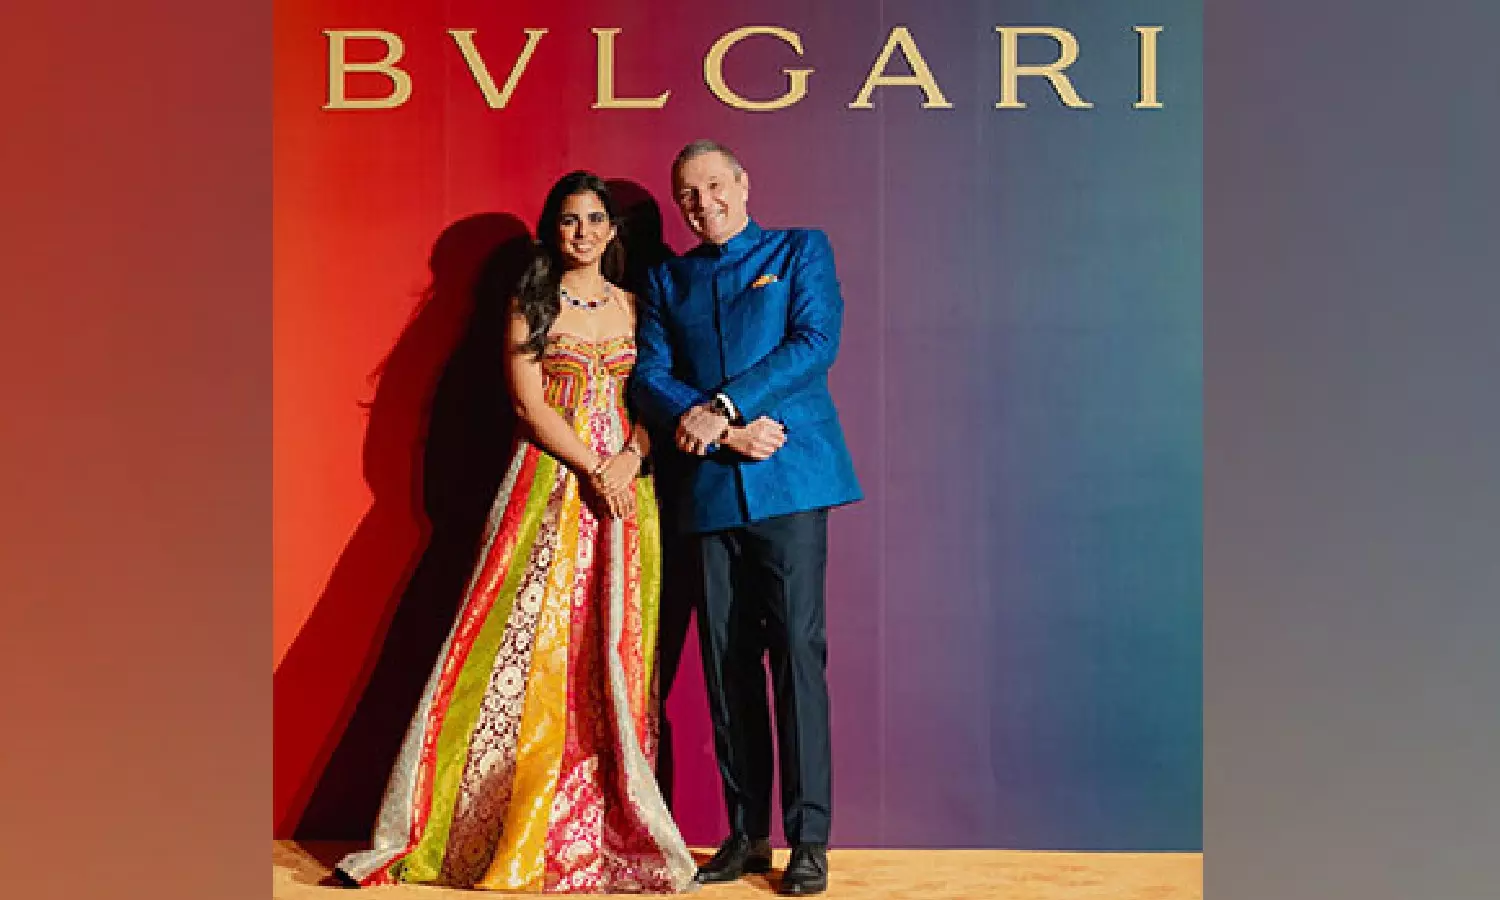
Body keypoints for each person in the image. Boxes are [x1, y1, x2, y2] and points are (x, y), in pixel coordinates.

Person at [334, 171, 696, 893]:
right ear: (552, 230)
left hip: (627, 496)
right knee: (526, 643)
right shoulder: (532, 303)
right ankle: (499, 820)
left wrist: (630, 460)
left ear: (612, 230)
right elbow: (530, 406)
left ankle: (605, 822)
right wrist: (595, 467)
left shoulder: (635, 305)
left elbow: (655, 397)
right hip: (551, 487)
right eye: (569, 220)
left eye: (595, 220)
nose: (583, 233)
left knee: (613, 646)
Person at [632, 140, 863, 896]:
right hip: (708, 489)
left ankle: (809, 840)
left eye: (713, 186)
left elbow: (814, 342)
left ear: (742, 183)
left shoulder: (799, 249)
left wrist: (727, 406)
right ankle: (745, 836)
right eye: (687, 195)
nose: (702, 204)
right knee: (725, 664)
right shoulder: (667, 279)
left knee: (796, 655)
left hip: (790, 482)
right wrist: (721, 430)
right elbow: (650, 373)